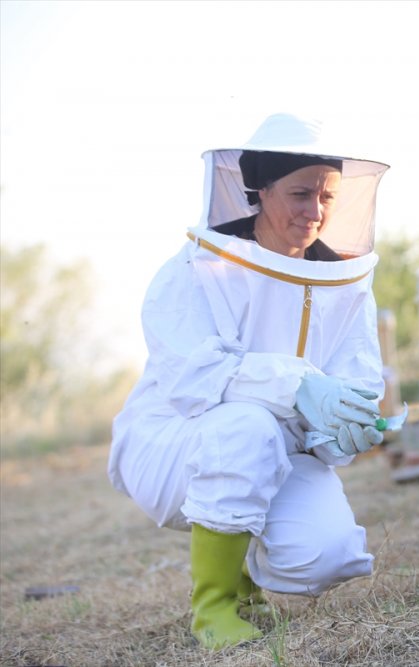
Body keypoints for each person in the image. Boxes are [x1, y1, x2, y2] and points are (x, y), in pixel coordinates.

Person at [108, 113, 391, 650]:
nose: (315, 211)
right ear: (260, 190)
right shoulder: (196, 268)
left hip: (280, 451)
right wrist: (297, 386)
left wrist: (347, 425)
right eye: (301, 194)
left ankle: (242, 565)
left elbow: (357, 377)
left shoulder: (347, 283)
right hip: (172, 448)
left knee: (327, 556)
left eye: (327, 196)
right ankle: (214, 608)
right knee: (246, 427)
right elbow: (193, 379)